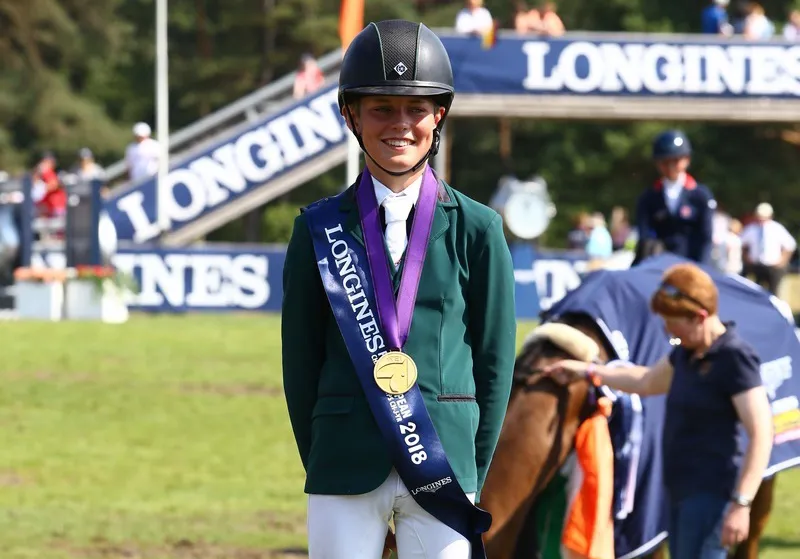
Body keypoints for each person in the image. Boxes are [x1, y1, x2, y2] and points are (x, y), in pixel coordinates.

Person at [281, 19, 517, 559]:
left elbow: (496, 365)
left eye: (416, 109)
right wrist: (323, 454)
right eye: (382, 108)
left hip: (445, 463)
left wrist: (469, 467)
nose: (400, 125)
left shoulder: (479, 230)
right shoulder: (315, 229)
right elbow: (300, 365)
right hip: (344, 463)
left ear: (439, 115)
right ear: (352, 116)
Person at [542, 262, 774, 559]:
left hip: (711, 499)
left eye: (673, 323)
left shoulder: (734, 358)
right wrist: (587, 371)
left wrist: (741, 503)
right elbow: (646, 380)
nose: (667, 330)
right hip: (679, 493)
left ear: (700, 317)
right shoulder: (686, 353)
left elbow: (761, 432)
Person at [634, 130, 716, 266]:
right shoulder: (649, 196)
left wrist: (701, 267)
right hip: (658, 265)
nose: (671, 167)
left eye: (676, 160)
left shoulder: (700, 195)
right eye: (665, 162)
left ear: (687, 160)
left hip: (691, 264)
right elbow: (645, 235)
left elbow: (705, 236)